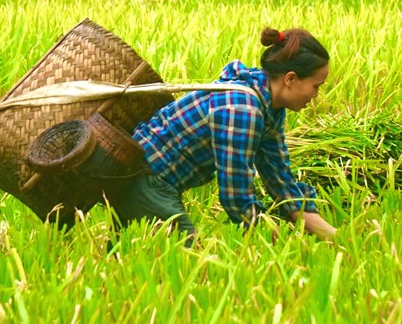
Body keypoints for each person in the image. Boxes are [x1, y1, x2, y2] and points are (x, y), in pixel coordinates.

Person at [110, 27, 338, 243]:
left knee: (136, 258)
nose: (316, 95)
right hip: (144, 179)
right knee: (190, 266)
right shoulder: (242, 109)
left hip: (152, 180)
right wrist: (272, 238)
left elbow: (281, 183)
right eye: (316, 86)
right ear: (290, 79)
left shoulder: (269, 109)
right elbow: (235, 196)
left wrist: (335, 237)